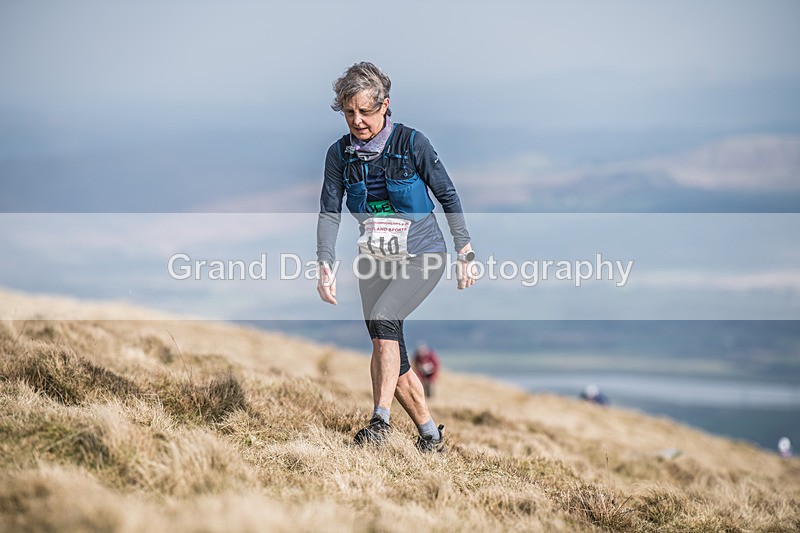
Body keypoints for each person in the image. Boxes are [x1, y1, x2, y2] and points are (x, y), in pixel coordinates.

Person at [316, 62, 477, 452]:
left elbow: (448, 195)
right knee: (388, 347)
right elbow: (329, 212)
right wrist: (324, 262)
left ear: (385, 105)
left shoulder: (412, 144)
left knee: (385, 320)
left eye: (365, 111)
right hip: (374, 260)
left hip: (424, 254)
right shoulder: (339, 155)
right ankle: (431, 437)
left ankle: (379, 423)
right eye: (349, 112)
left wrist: (465, 251)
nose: (357, 120)